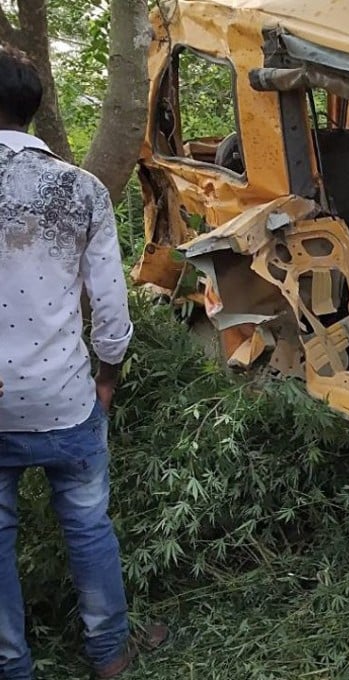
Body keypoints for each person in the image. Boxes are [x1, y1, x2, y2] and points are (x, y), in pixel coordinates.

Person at [0, 45, 167, 679]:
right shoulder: (79, 189)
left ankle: (12, 666)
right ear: (34, 109)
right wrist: (106, 380)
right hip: (64, 401)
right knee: (89, 526)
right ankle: (110, 656)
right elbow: (112, 311)